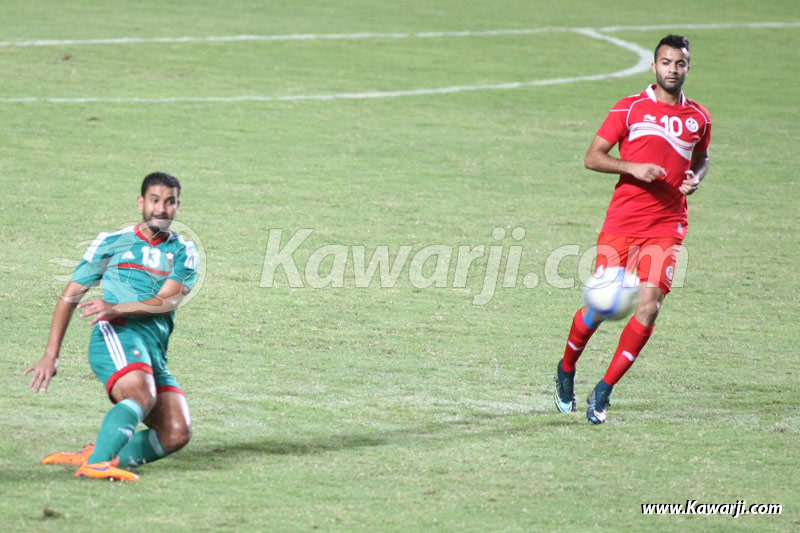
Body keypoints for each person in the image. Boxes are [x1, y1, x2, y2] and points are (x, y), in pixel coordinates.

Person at [553, 35, 711, 424]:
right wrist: (632, 168)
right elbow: (592, 158)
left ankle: (603, 391)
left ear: (688, 67)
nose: (672, 70)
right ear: (653, 66)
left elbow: (703, 158)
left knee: (649, 305)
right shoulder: (629, 109)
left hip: (667, 225)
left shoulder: (699, 118)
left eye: (680, 64)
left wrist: (697, 178)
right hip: (623, 223)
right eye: (666, 62)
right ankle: (567, 368)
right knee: (602, 307)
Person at [25, 172, 200, 480]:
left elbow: (166, 302)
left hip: (153, 348)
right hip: (116, 334)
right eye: (155, 200)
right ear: (141, 202)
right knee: (140, 396)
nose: (161, 208)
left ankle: (97, 452)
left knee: (176, 432)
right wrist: (51, 354)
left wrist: (115, 305)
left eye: (170, 202)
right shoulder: (112, 242)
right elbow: (70, 296)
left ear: (178, 206)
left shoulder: (184, 251)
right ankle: (97, 465)